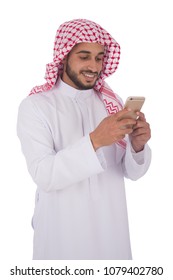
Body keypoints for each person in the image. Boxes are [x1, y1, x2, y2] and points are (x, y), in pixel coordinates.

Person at [17, 18, 151, 260]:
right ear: (64, 56)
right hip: (62, 233)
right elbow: (43, 175)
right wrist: (95, 141)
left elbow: (130, 172)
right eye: (84, 56)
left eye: (99, 57)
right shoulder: (35, 106)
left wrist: (138, 147)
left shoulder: (111, 102)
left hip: (112, 229)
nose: (94, 65)